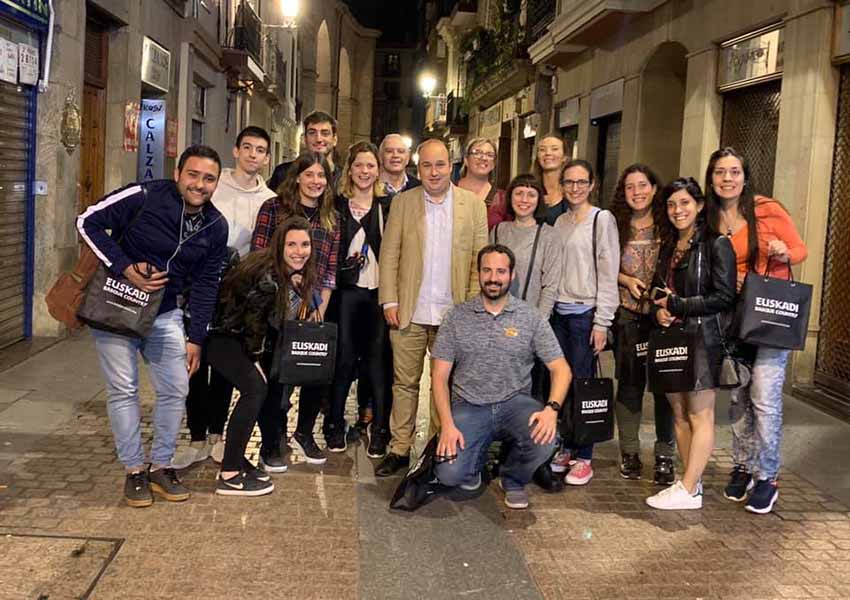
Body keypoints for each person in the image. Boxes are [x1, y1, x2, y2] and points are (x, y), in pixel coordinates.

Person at [76, 145, 228, 507]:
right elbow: (88, 221)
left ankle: (161, 466)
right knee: (123, 389)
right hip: (117, 305)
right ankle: (133, 471)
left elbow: (208, 284)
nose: (200, 184)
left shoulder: (215, 226)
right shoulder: (145, 195)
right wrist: (124, 266)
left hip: (165, 314)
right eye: (193, 175)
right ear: (178, 174)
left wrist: (197, 338)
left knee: (176, 389)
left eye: (209, 179)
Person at [375, 138, 488, 477]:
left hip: (453, 315)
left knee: (447, 386)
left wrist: (470, 310)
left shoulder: (473, 206)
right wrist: (390, 300)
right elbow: (390, 254)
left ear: (451, 166)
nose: (434, 171)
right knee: (404, 383)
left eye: (440, 165)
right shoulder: (404, 203)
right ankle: (399, 448)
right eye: (426, 165)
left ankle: (440, 448)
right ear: (417, 168)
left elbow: (478, 263)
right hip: (409, 311)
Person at [705, 147, 808, 514]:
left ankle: (767, 476)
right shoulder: (709, 216)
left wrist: (784, 252)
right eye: (720, 172)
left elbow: (800, 249)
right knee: (738, 395)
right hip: (730, 319)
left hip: (766, 316)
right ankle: (742, 467)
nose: (727, 179)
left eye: (734, 172)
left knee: (764, 396)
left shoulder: (767, 210)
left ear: (745, 177)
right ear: (712, 177)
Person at [433, 245, 571, 509]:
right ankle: (473, 466)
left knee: (547, 438)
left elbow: (561, 369)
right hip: (469, 406)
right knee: (449, 474)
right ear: (479, 273)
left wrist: (552, 410)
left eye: (500, 271)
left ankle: (513, 478)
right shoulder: (456, 317)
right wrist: (447, 425)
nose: (493, 278)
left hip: (515, 404)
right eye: (487, 270)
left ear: (511, 274)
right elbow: (439, 377)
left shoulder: (531, 317)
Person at [173, 125, 276, 470]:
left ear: (267, 157)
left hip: (237, 293)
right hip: (199, 283)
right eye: (247, 147)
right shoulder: (214, 185)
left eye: (260, 150)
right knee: (193, 361)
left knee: (222, 365)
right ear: (235, 150)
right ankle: (198, 437)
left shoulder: (268, 198)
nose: (252, 155)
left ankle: (217, 435)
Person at [208, 217, 317, 496]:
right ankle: (230, 474)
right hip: (224, 338)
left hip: (230, 335)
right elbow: (254, 322)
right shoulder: (269, 276)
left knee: (256, 391)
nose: (299, 251)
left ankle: (235, 458)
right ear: (279, 245)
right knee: (255, 389)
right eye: (291, 244)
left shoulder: (278, 270)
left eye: (304, 245)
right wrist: (255, 358)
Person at [645, 177, 736, 511]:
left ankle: (687, 487)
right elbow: (659, 291)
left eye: (684, 203)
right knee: (679, 415)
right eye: (671, 204)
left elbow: (724, 297)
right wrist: (659, 312)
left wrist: (679, 306)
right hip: (672, 339)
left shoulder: (716, 244)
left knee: (700, 414)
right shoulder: (669, 246)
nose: (677, 210)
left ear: (698, 205)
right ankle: (689, 484)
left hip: (703, 339)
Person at [252, 152, 340, 466]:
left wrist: (319, 310)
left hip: (313, 307)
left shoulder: (331, 217)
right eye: (310, 174)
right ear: (297, 177)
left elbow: (329, 269)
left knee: (316, 373)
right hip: (276, 306)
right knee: (275, 379)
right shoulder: (273, 208)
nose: (316, 181)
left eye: (322, 176)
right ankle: (271, 441)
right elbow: (259, 255)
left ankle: (304, 433)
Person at [549, 159, 620, 485]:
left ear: (592, 185)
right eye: (569, 182)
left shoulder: (601, 220)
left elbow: (608, 272)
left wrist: (602, 322)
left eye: (581, 182)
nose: (574, 188)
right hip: (558, 315)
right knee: (559, 385)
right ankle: (566, 443)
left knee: (583, 385)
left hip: (584, 315)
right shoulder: (560, 222)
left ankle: (585, 455)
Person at [610, 164, 676, 484]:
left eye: (642, 185)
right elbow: (601, 263)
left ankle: (665, 455)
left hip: (665, 316)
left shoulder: (669, 223)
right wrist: (625, 278)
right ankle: (630, 452)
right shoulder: (613, 225)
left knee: (666, 387)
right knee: (630, 386)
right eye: (630, 187)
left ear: (653, 187)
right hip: (628, 314)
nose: (637, 192)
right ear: (623, 193)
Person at [329, 142, 393, 457]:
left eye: (370, 166)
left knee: (377, 363)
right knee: (342, 361)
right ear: (349, 169)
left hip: (380, 295)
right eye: (359, 165)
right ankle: (334, 424)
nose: (365, 172)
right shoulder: (338, 205)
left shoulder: (388, 205)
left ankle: (380, 429)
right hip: (346, 294)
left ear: (378, 170)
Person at [489, 174, 559, 318]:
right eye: (519, 193)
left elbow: (550, 287)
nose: (524, 200)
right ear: (510, 197)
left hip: (530, 319)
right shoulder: (498, 231)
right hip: (496, 317)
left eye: (531, 195)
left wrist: (539, 324)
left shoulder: (549, 236)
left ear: (539, 200)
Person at [267, 111, 342, 193]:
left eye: (325, 133)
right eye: (312, 133)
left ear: (334, 140)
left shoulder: (343, 179)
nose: (318, 139)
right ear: (305, 139)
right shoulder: (282, 173)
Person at [456, 137, 508, 230]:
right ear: (466, 159)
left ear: (494, 163)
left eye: (489, 155)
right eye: (477, 153)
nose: (483, 158)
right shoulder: (448, 192)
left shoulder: (503, 199)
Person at [533, 134, 569, 226]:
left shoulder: (573, 190)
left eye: (554, 149)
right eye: (542, 150)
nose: (548, 153)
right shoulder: (529, 189)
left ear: (564, 157)